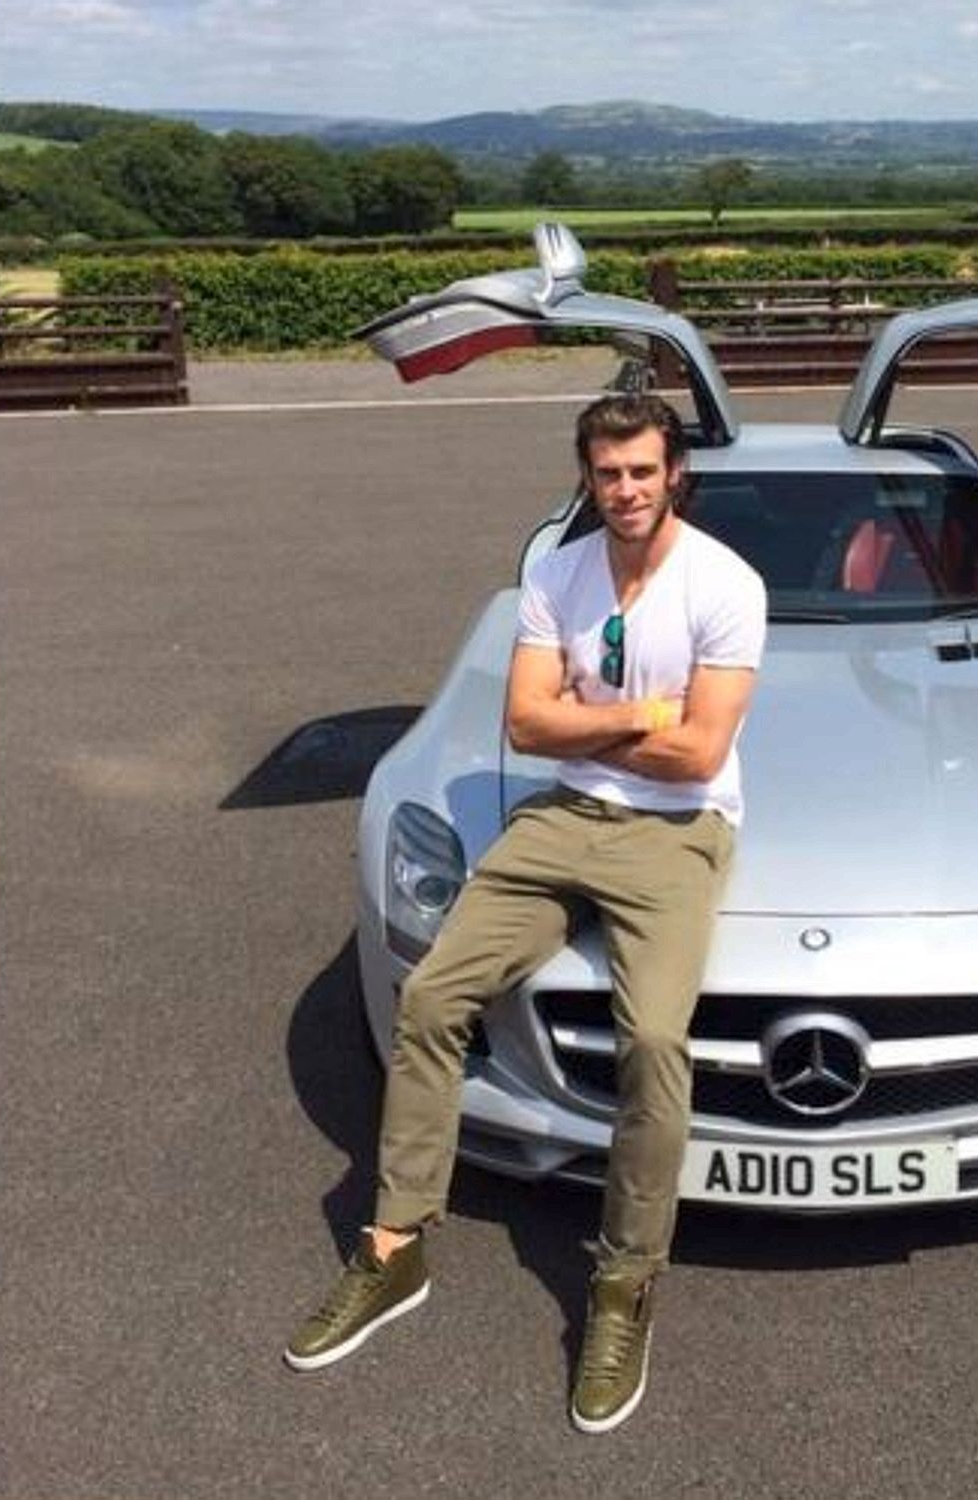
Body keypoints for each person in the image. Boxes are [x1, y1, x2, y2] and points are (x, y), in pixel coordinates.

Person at [284, 392, 768, 1435]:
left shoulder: (726, 583)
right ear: (587, 479)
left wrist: (584, 724)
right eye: (607, 474)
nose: (626, 491)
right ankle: (394, 1247)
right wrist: (641, 713)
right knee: (433, 996)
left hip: (678, 835)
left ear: (673, 471)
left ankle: (625, 1283)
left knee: (650, 1040)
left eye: (642, 471)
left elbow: (700, 757)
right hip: (560, 822)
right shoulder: (555, 573)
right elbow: (524, 724)